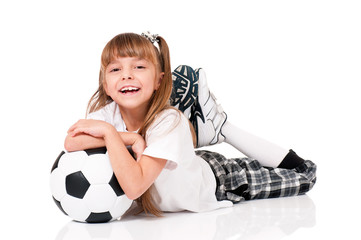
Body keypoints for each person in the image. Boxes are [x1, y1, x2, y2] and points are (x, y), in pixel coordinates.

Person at [65, 32, 316, 217]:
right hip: (184, 160)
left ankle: (221, 128)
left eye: (139, 67)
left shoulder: (168, 121)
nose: (126, 75)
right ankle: (197, 131)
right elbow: (71, 141)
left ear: (159, 82)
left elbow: (134, 187)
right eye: (115, 69)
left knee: (305, 174)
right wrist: (129, 138)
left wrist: (109, 134)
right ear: (106, 86)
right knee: (173, 131)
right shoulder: (107, 115)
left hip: (219, 181)